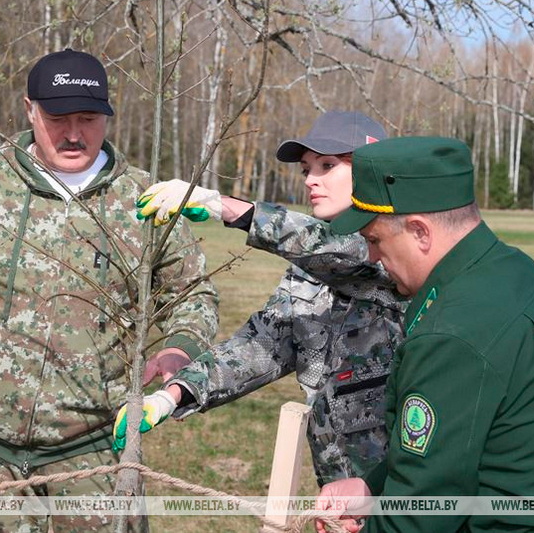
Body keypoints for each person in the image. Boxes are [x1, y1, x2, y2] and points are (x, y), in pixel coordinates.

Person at [0, 48, 219, 533]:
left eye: (89, 118)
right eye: (58, 118)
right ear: (29, 110)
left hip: (97, 450)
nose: (75, 134)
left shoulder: (141, 201)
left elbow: (193, 294)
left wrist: (182, 346)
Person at [315, 136, 534, 533]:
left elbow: (422, 512)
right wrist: (371, 486)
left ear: (420, 232)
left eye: (375, 240)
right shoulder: (521, 275)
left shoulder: (450, 334)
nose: (374, 257)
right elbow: (472, 437)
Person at [119, 111, 410, 486]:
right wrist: (176, 393)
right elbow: (261, 346)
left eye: (328, 165)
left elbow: (342, 252)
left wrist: (227, 207)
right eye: (307, 169)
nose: (311, 180)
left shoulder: (396, 249)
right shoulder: (309, 269)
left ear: (372, 171)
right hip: (339, 485)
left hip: (403, 488)